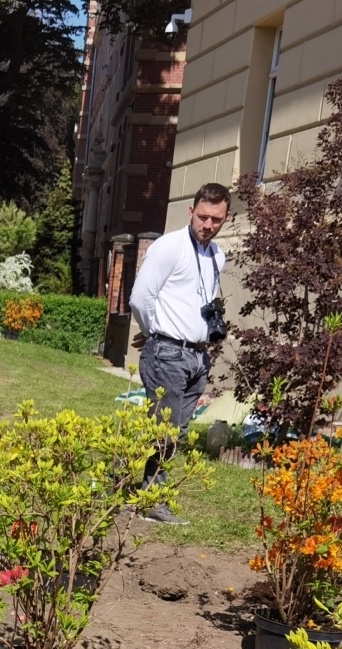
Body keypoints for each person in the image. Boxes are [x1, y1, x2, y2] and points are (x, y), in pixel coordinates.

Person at [128, 182, 233, 525]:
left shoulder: (217, 255)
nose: (208, 224)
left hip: (198, 357)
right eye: (202, 217)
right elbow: (140, 298)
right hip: (167, 353)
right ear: (191, 212)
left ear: (225, 218)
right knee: (166, 430)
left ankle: (123, 476)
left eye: (216, 219)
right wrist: (152, 331)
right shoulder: (168, 247)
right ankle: (153, 500)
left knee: (176, 429)